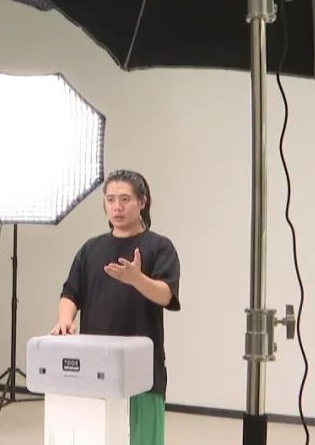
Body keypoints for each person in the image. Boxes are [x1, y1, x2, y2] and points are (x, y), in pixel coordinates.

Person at [52, 170, 181, 445]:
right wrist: (65, 319)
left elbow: (165, 295)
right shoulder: (91, 249)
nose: (117, 207)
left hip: (142, 369)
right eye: (110, 199)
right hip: (95, 365)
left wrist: (137, 279)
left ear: (142, 202)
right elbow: (71, 293)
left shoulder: (159, 247)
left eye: (125, 199)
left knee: (141, 438)